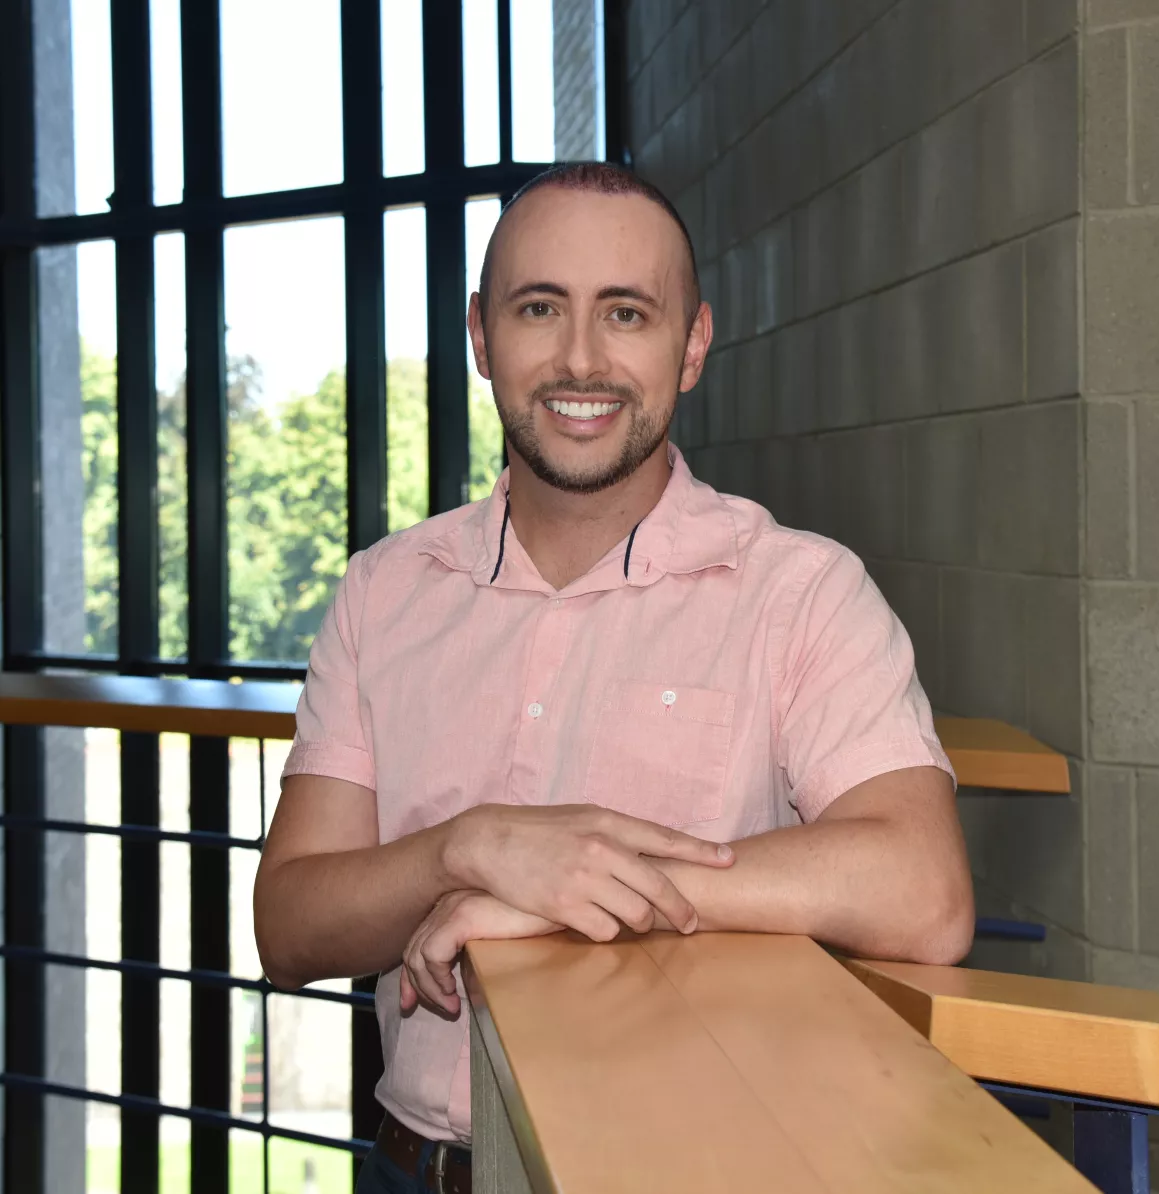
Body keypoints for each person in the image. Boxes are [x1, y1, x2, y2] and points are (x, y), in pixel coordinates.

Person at [253, 161, 975, 1194]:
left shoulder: (798, 592)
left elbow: (924, 892)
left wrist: (576, 889)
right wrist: (469, 849)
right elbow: (290, 927)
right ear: (478, 336)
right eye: (538, 308)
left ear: (690, 346)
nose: (579, 359)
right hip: (421, 1169)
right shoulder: (381, 594)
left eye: (626, 314)